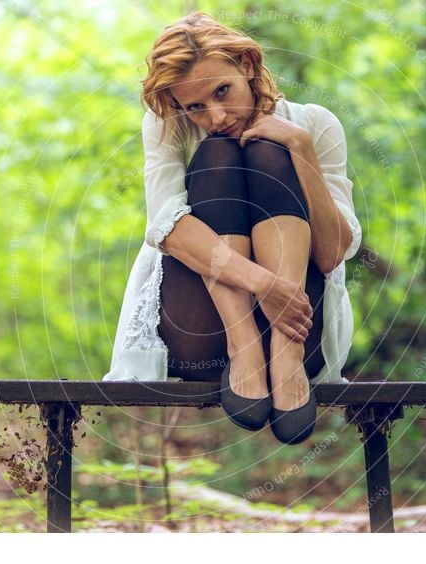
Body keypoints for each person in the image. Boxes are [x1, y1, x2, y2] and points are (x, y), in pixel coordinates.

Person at [103, 11, 362, 445]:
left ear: (246, 65)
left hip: (300, 324)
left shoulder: (315, 124)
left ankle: (284, 353)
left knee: (269, 151)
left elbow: (331, 254)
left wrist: (300, 148)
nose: (217, 115)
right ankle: (243, 347)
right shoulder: (170, 126)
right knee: (217, 154)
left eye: (222, 91)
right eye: (196, 107)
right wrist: (264, 284)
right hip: (200, 328)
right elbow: (168, 230)